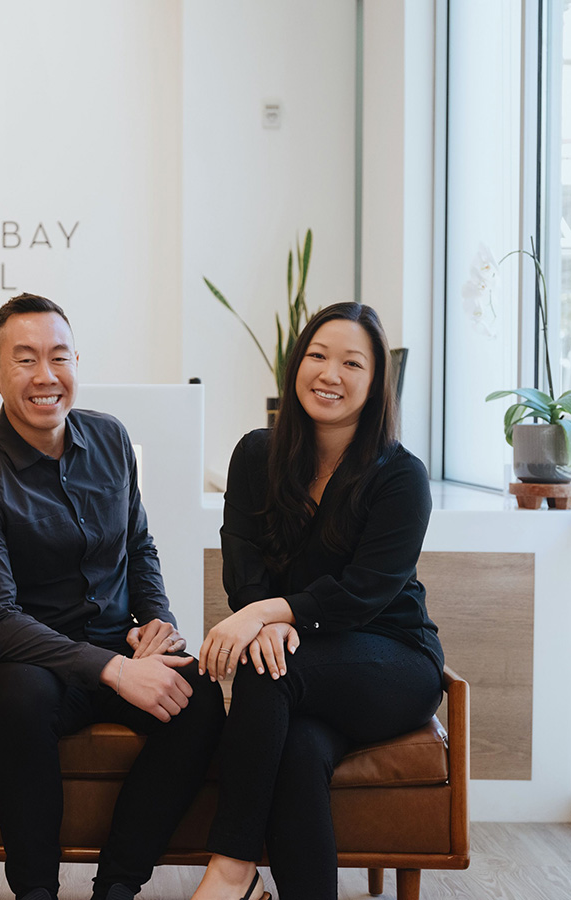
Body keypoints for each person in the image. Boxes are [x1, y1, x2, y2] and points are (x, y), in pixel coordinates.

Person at [0, 293, 226, 900]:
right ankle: (36, 890)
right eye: (25, 359)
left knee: (200, 697)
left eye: (59, 356)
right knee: (18, 696)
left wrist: (158, 623)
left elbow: (139, 546)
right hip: (35, 661)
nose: (45, 375)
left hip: (120, 647)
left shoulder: (110, 437)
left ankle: (119, 883)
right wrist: (114, 671)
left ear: (77, 362)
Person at [191, 302, 444, 900]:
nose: (330, 374)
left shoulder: (400, 476)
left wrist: (268, 615)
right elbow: (243, 559)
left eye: (352, 363)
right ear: (296, 364)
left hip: (392, 658)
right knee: (300, 749)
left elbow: (364, 592)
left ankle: (231, 871)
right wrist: (265, 618)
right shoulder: (256, 455)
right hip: (305, 656)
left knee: (269, 671)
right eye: (318, 356)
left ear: (376, 382)